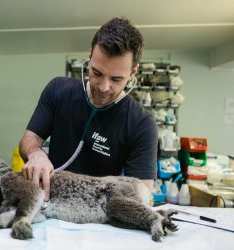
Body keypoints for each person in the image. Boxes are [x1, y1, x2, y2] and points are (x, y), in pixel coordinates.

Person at [19, 17, 158, 201]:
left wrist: (85, 186)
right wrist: (35, 154)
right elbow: (29, 140)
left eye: (116, 79)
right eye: (97, 73)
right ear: (90, 55)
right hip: (50, 201)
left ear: (133, 72)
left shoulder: (142, 123)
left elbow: (142, 190)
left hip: (100, 211)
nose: (103, 87)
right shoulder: (58, 90)